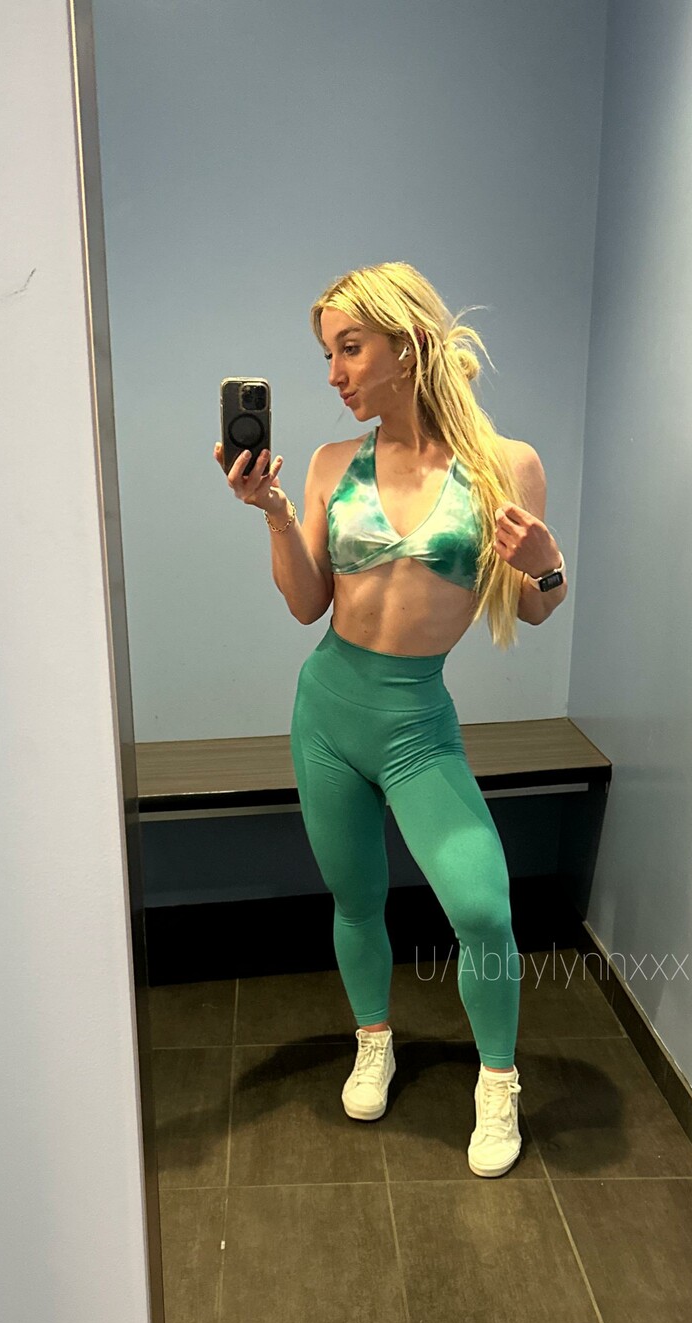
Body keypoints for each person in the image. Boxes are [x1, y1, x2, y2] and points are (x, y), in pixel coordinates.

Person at [213, 261, 568, 1177]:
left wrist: (548, 562)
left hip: (416, 726)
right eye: (327, 354)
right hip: (328, 714)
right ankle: (374, 1039)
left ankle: (499, 1083)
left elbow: (535, 607)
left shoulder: (507, 467)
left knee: (482, 909)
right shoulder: (333, 465)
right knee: (356, 898)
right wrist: (275, 514)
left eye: (349, 348)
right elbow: (307, 605)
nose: (333, 373)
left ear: (406, 346)